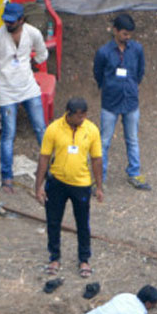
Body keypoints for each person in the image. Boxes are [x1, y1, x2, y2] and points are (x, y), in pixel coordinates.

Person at [34, 97, 103, 278]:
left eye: (84, 116)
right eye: (79, 116)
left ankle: (84, 260)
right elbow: (44, 157)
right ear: (69, 114)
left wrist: (99, 186)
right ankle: (54, 257)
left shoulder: (92, 130)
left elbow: (96, 159)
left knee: (83, 224)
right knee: (53, 221)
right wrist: (38, 186)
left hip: (81, 184)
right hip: (57, 183)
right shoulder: (54, 129)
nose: (82, 120)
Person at [0, 2, 48, 193]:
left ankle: (50, 169)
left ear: (22, 20)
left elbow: (43, 54)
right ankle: (7, 177)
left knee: (41, 129)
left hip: (28, 89)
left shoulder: (32, 33)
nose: (8, 24)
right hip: (6, 92)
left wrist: (31, 63)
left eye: (12, 21)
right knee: (8, 135)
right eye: (6, 20)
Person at [93, 13, 151, 191]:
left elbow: (140, 71)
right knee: (104, 142)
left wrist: (132, 86)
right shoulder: (104, 52)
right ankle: (99, 179)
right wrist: (110, 87)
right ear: (115, 31)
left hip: (130, 101)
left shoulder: (137, 49)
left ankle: (134, 173)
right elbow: (98, 74)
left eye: (130, 34)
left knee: (132, 139)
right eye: (125, 34)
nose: (128, 37)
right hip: (110, 103)